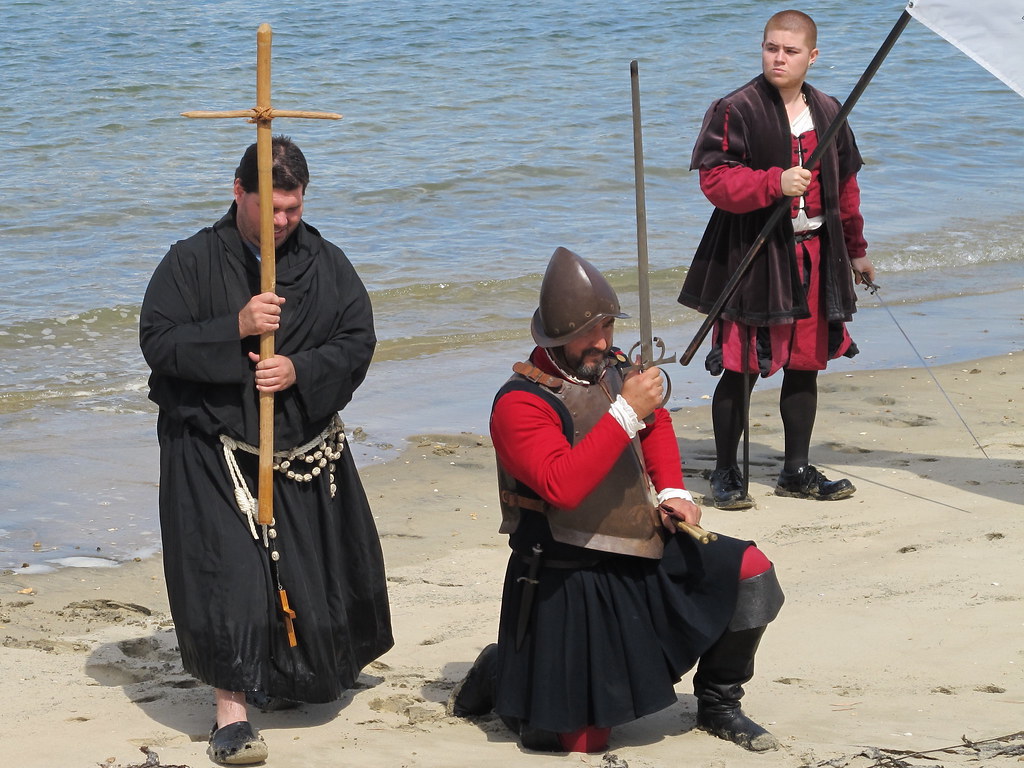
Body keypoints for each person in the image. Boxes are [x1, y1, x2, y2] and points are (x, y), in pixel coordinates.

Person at [450, 247, 785, 754]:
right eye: (590, 332)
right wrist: (626, 411)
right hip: (565, 568)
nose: (604, 342)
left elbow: (657, 423)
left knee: (752, 572)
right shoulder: (519, 403)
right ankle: (504, 669)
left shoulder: (610, 367)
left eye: (607, 327)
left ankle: (719, 702)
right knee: (579, 741)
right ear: (556, 335)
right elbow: (562, 486)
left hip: (636, 538)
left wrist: (673, 489)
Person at [140, 135, 393, 765]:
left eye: (294, 210)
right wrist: (237, 328)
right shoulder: (192, 262)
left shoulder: (327, 262)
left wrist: (299, 370)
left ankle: (304, 675)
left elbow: (358, 339)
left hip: (300, 443)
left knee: (315, 573)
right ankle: (231, 712)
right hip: (211, 446)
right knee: (232, 577)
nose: (283, 222)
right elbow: (158, 343)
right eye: (272, 208)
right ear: (238, 193)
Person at [678, 10, 876, 510]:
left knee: (805, 366)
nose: (778, 58)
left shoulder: (831, 110)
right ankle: (725, 472)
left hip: (817, 254)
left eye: (790, 51)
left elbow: (846, 189)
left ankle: (796, 471)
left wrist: (857, 250)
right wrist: (774, 182)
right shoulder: (734, 109)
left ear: (812, 56)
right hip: (755, 253)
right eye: (771, 48)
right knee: (740, 366)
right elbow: (715, 181)